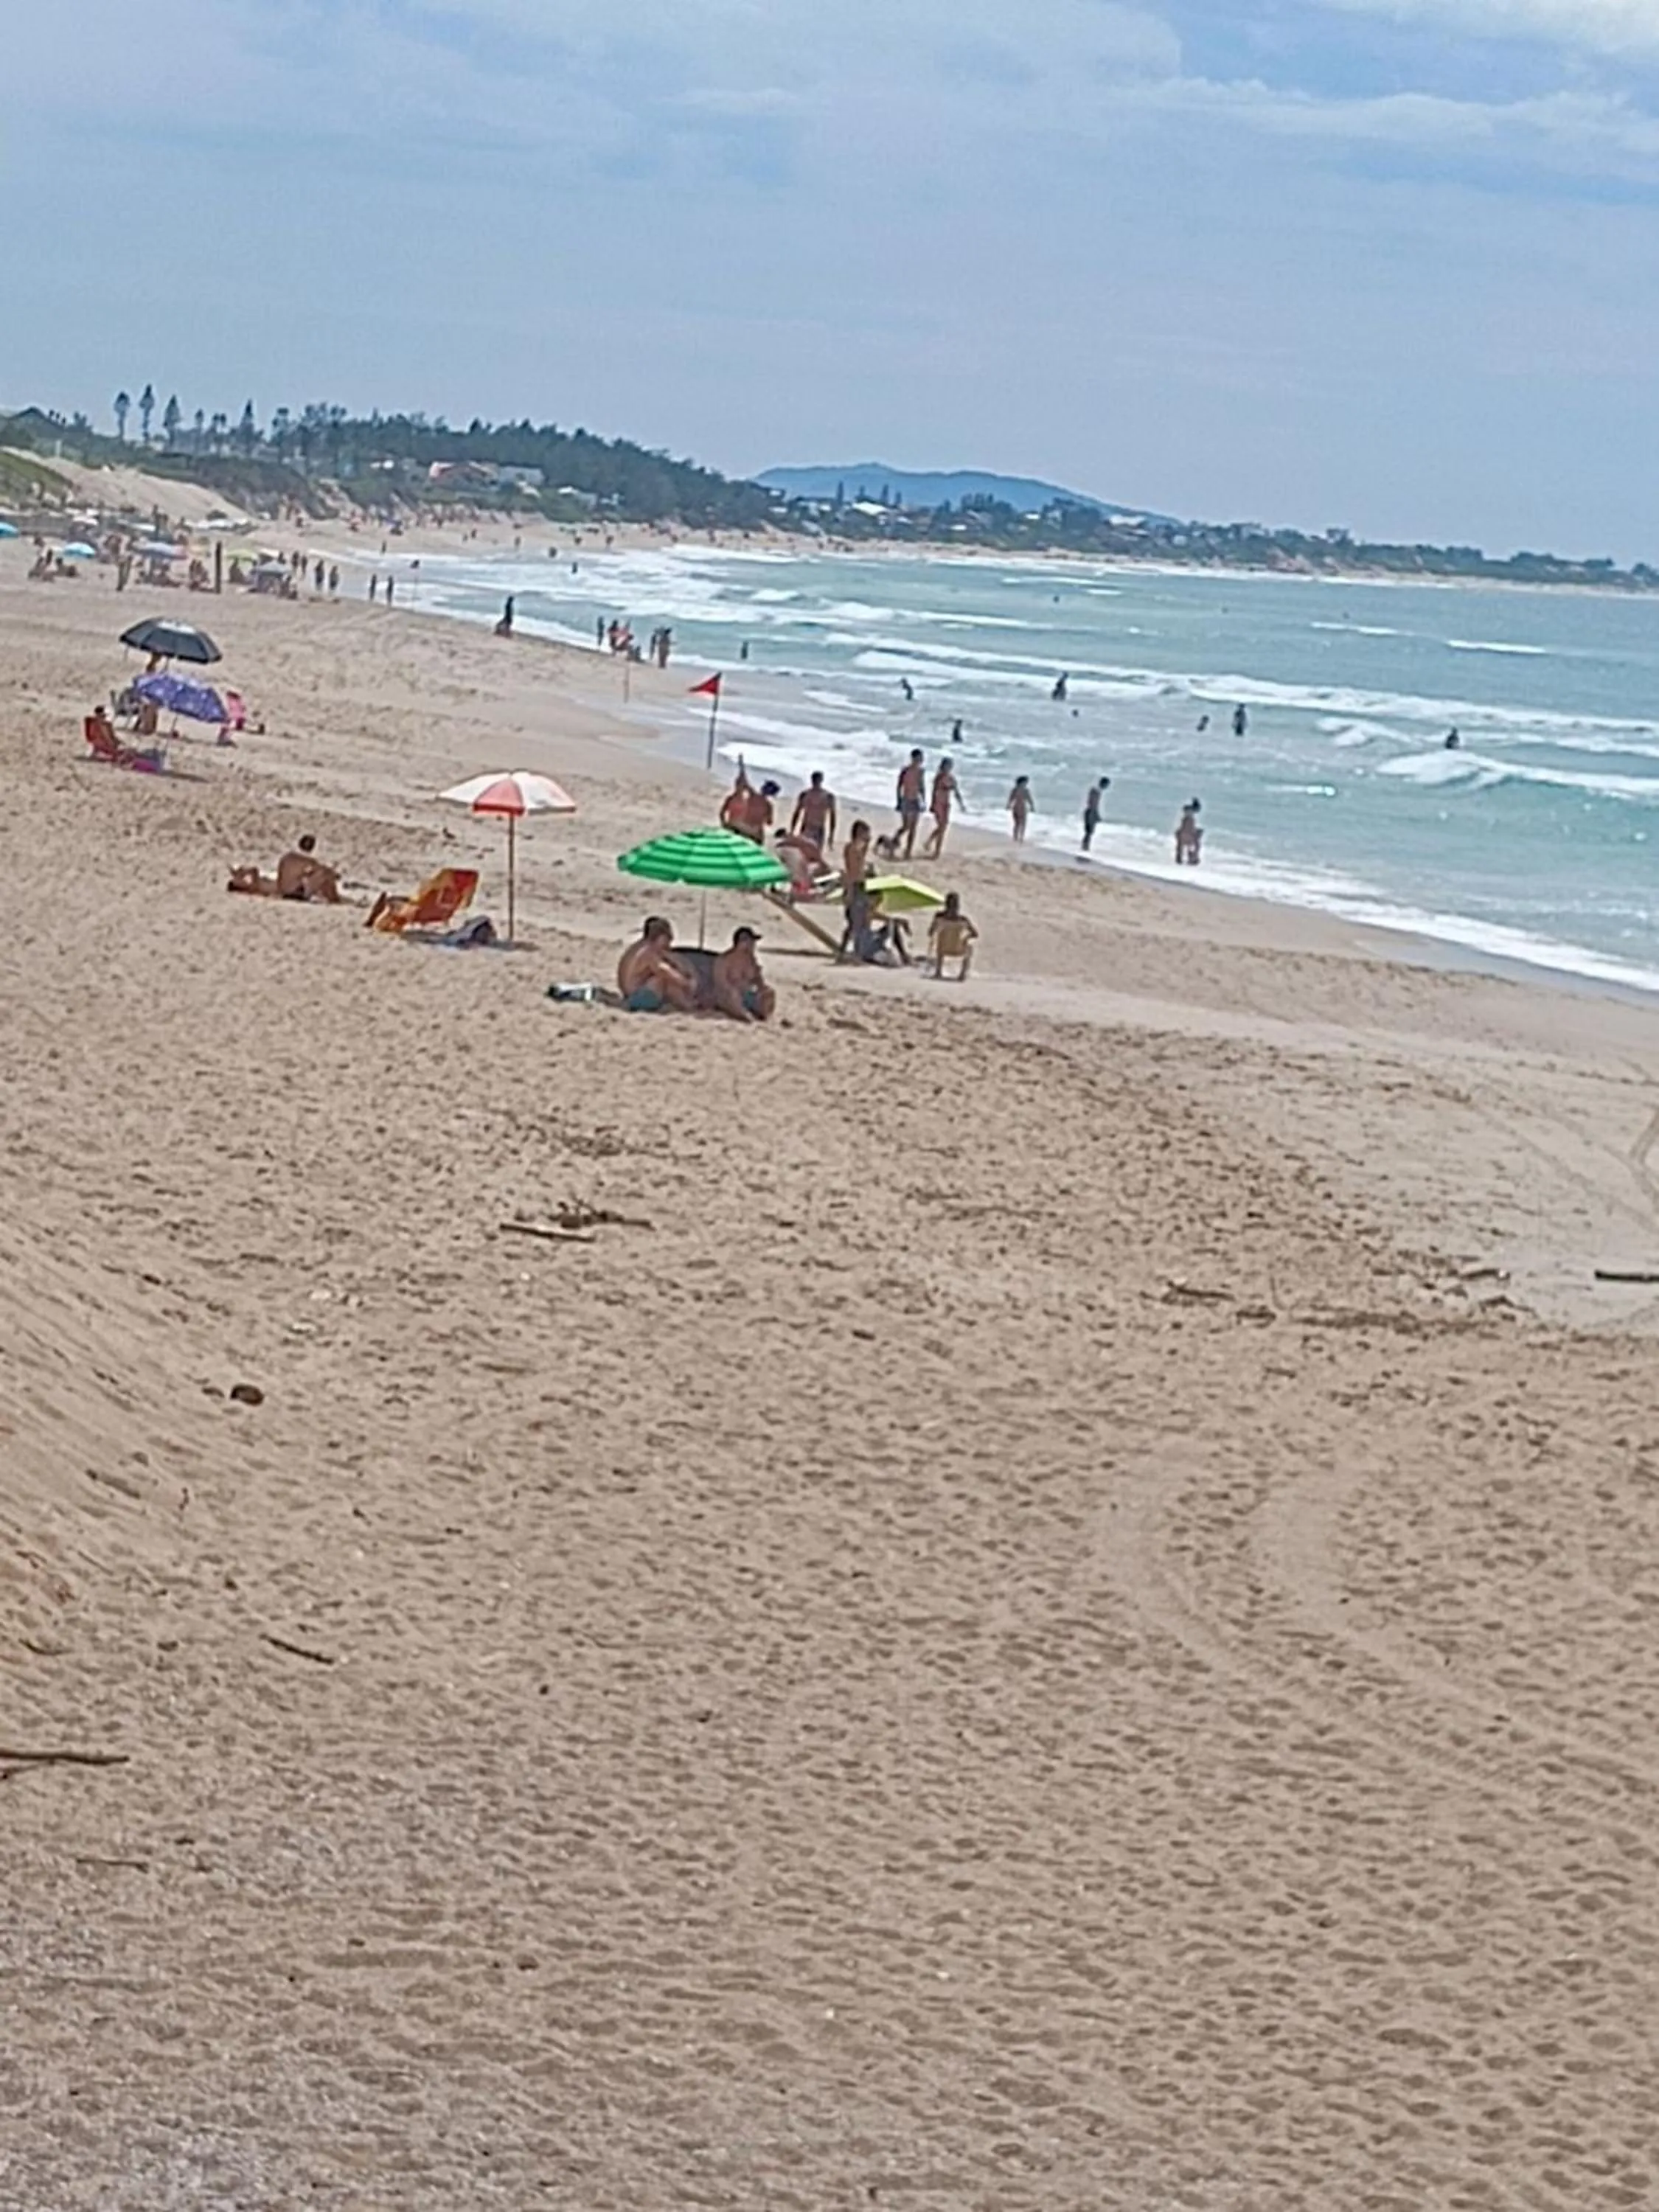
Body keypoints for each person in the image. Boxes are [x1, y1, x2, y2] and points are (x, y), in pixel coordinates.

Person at [616, 915, 698, 1012]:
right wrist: (686, 983)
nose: (669, 943)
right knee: (662, 979)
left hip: (633, 994)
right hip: (635, 998)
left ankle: (685, 1003)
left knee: (665, 978)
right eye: (667, 939)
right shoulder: (648, 953)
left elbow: (673, 965)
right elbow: (664, 970)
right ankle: (685, 1004)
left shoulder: (649, 949)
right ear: (660, 937)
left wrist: (673, 959)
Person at [712, 925, 775, 1023]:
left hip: (748, 994)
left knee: (769, 993)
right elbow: (721, 983)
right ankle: (744, 1015)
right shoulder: (724, 960)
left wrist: (762, 988)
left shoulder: (750, 960)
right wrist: (733, 989)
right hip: (729, 997)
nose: (753, 945)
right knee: (734, 995)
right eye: (750, 942)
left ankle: (761, 1013)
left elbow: (758, 980)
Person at [928, 891, 978, 980]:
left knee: (940, 939)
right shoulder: (963, 920)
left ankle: (938, 972)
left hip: (943, 949)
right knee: (969, 947)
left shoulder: (939, 918)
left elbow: (930, 932)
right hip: (959, 949)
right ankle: (962, 974)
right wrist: (966, 938)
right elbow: (975, 934)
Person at [790, 770, 837, 858]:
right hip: (808, 828)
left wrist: (831, 836)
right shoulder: (806, 795)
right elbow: (797, 813)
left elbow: (833, 818)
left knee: (812, 856)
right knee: (805, 855)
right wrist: (792, 830)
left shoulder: (828, 797)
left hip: (817, 829)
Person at [923, 757, 960, 860]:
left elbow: (956, 792)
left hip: (946, 804)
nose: (948, 768)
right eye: (946, 766)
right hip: (938, 804)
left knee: (943, 828)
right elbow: (934, 791)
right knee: (941, 826)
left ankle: (935, 849)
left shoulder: (952, 778)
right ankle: (931, 844)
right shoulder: (938, 777)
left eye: (950, 766)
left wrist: (961, 804)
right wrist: (932, 804)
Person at [895, 748, 927, 859]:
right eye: (917, 759)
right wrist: (898, 800)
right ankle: (896, 838)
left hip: (916, 801)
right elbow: (899, 786)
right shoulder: (905, 771)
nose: (919, 761)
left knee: (914, 828)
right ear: (913, 759)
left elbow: (922, 787)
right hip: (906, 800)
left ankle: (908, 851)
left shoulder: (921, 772)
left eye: (921, 759)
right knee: (906, 826)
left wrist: (924, 800)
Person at [1082, 775, 1110, 853]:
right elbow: (1093, 804)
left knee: (1089, 832)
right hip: (1091, 812)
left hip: (1091, 812)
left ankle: (1085, 847)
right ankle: (1085, 848)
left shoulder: (1096, 791)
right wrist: (1095, 814)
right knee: (1089, 832)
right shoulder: (1096, 792)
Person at [1006, 774, 1034, 844]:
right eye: (1025, 782)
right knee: (1018, 824)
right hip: (1018, 808)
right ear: (1021, 782)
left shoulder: (1023, 790)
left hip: (1020, 807)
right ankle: (1017, 837)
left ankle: (1020, 837)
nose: (1026, 784)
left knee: (1021, 824)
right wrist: (1008, 805)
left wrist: (1032, 806)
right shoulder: (1018, 790)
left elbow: (1029, 799)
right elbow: (1011, 798)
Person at [1175, 799, 1203, 866]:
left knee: (1194, 842)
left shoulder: (1186, 819)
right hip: (1187, 836)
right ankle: (1193, 857)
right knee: (1197, 843)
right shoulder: (1190, 819)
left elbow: (1186, 828)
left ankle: (1187, 857)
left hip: (1184, 835)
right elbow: (1189, 829)